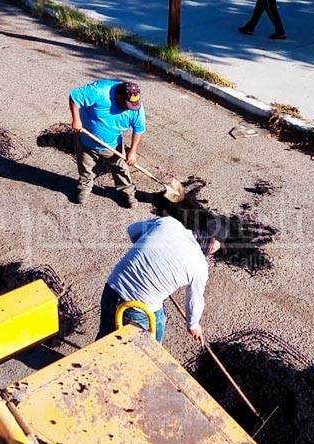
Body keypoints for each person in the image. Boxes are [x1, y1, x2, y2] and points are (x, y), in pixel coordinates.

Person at [96, 216, 221, 344]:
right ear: (212, 243)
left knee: (105, 338)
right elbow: (194, 301)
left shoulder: (169, 223)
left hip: (112, 288)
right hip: (137, 309)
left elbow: (132, 230)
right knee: (149, 342)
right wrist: (193, 326)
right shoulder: (199, 265)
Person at [69, 80, 146, 209]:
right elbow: (74, 97)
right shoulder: (99, 91)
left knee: (121, 169)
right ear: (119, 97)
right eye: (127, 105)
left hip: (113, 144)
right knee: (85, 167)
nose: (130, 109)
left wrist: (132, 151)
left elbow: (138, 130)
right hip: (87, 139)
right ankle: (84, 188)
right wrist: (76, 120)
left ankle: (127, 193)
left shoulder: (135, 106)